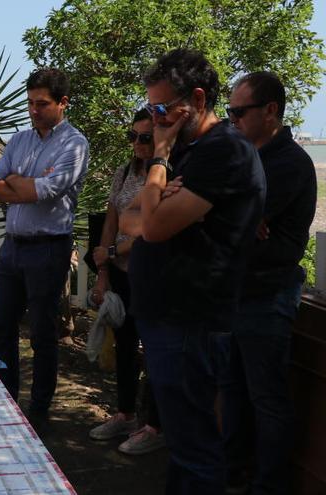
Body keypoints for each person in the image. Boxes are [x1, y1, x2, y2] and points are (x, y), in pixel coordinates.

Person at [120, 49, 265, 493]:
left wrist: (159, 163)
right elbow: (129, 215)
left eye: (163, 108)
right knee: (181, 446)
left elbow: (156, 227)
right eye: (151, 110)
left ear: (198, 99)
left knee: (196, 448)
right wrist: (156, 197)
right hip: (168, 318)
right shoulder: (192, 147)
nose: (157, 119)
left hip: (190, 322)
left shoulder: (222, 151)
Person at [219, 72, 316, 494]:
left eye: (239, 111)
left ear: (271, 111)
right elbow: (223, 216)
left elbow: (227, 219)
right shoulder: (243, 156)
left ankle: (268, 485)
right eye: (228, 111)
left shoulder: (290, 163)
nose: (232, 119)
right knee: (233, 391)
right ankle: (233, 473)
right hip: (235, 292)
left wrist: (230, 215)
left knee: (267, 399)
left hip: (267, 295)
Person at [0, 68, 90, 415]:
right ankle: (6, 401)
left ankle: (39, 410)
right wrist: (21, 183)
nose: (33, 110)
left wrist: (15, 183)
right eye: (30, 103)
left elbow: (47, 191)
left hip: (48, 248)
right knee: (1, 326)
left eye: (42, 104)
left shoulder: (74, 143)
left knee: (43, 333)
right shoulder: (18, 141)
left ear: (63, 103)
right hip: (13, 246)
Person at [88, 108, 164, 455]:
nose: (136, 144)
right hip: (120, 271)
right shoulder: (124, 172)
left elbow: (156, 227)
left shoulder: (166, 173)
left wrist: (118, 247)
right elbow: (111, 219)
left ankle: (154, 425)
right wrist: (103, 264)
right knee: (125, 346)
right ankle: (126, 413)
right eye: (131, 136)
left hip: (151, 274)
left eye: (145, 138)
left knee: (156, 351)